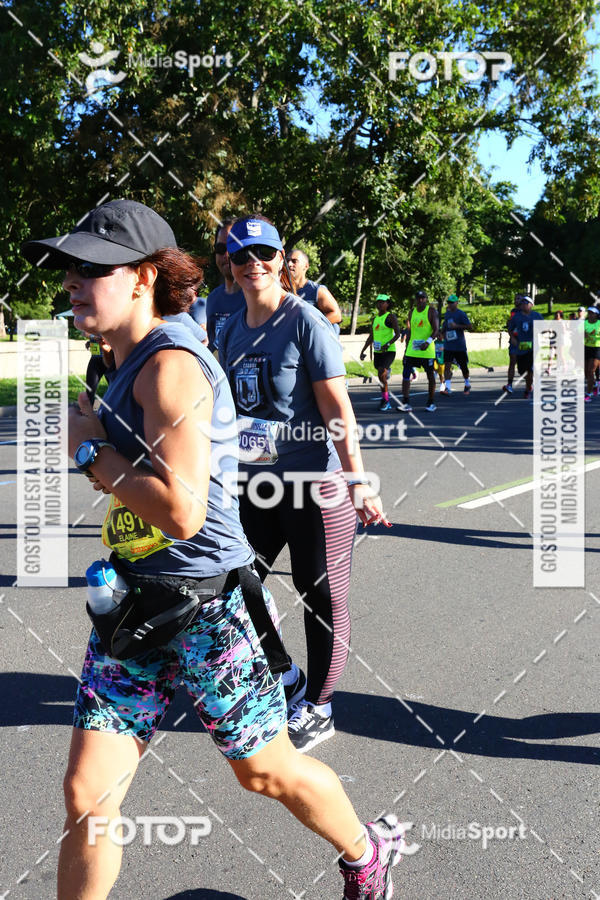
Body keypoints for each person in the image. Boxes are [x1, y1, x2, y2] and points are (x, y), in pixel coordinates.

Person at [21, 199, 407, 900]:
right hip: (131, 604)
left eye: (90, 269)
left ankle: (367, 848)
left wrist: (88, 451)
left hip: (205, 606)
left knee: (264, 772)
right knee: (87, 795)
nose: (72, 282)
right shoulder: (116, 359)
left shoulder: (170, 367)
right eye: (70, 270)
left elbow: (184, 512)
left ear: (141, 276)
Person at [219, 215, 391, 757]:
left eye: (265, 254)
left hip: (314, 485)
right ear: (229, 261)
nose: (255, 265)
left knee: (319, 594)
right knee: (234, 583)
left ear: (280, 257)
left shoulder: (306, 323)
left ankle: (319, 706)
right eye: (243, 255)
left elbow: (338, 407)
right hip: (255, 486)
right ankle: (285, 674)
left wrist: (359, 481)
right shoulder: (229, 329)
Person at [205, 218, 245, 353]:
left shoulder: (258, 297)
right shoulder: (212, 299)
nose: (226, 255)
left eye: (233, 247)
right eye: (220, 249)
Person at [359, 294, 402, 410]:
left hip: (389, 351)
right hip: (378, 352)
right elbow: (371, 337)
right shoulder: (375, 319)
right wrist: (363, 350)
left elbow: (398, 334)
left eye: (382, 302)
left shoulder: (390, 317)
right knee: (380, 375)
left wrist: (387, 344)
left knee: (381, 373)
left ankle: (386, 400)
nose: (380, 304)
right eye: (378, 302)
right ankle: (386, 374)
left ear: (387, 304)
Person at [400, 289, 439, 412]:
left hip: (427, 350)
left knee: (430, 375)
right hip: (412, 349)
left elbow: (436, 329)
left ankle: (431, 402)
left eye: (423, 298)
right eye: (418, 298)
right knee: (406, 373)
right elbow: (411, 331)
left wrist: (427, 342)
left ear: (426, 299)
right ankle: (406, 403)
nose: (420, 300)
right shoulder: (412, 312)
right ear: (416, 300)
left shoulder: (431, 311)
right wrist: (406, 349)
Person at [285, 248, 342, 331]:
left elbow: (336, 315)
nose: (289, 264)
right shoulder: (281, 290)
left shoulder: (317, 290)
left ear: (306, 266)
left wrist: (309, 328)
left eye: (294, 261)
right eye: (287, 260)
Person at [509, 295, 543, 398]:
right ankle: (529, 384)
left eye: (526, 303)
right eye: (522, 303)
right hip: (521, 345)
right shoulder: (517, 316)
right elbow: (510, 329)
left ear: (531, 305)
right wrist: (513, 339)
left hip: (533, 345)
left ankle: (528, 389)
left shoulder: (537, 316)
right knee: (521, 370)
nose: (524, 305)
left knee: (529, 369)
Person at [440, 294, 472, 395]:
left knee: (463, 366)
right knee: (447, 365)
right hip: (449, 345)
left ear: (457, 303)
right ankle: (448, 388)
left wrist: (457, 326)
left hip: (459, 345)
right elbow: (445, 326)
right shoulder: (447, 314)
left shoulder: (461, 314)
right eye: (449, 302)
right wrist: (442, 333)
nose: (450, 304)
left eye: (452, 303)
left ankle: (467, 383)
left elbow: (470, 326)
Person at [503, 294, 524, 394]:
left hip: (525, 341)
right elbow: (510, 326)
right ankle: (509, 384)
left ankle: (530, 383)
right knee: (512, 362)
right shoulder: (513, 311)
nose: (516, 300)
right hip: (514, 341)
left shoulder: (527, 312)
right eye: (515, 299)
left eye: (518, 299)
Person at [84, 333, 112, 405]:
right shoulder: (91, 323)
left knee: (114, 387)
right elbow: (84, 332)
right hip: (95, 359)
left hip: (109, 359)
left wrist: (95, 337)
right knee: (90, 389)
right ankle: (88, 413)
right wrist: (92, 340)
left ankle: (116, 411)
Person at [584, 306, 600, 401]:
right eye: (589, 312)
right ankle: (594, 384)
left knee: (591, 371)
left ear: (596, 315)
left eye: (592, 313)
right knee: (586, 373)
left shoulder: (599, 323)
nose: (590, 315)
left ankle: (588, 394)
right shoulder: (585, 323)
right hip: (587, 348)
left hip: (597, 349)